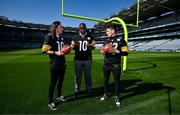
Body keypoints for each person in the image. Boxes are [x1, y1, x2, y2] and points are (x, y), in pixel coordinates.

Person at [100, 24, 128, 107]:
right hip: (106, 64)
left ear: (113, 31)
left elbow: (126, 53)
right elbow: (102, 51)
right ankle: (105, 94)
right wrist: (102, 52)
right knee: (105, 80)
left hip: (116, 64)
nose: (106, 33)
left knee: (116, 81)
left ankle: (116, 96)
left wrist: (117, 51)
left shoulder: (121, 40)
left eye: (107, 31)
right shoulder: (106, 40)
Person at [42, 21, 66, 110]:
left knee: (60, 82)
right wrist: (56, 52)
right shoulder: (49, 37)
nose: (62, 28)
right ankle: (50, 101)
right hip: (55, 64)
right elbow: (44, 50)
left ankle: (59, 95)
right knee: (53, 83)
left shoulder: (61, 37)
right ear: (56, 28)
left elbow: (61, 50)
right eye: (61, 27)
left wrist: (66, 50)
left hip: (62, 63)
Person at [71, 23, 96, 97]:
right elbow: (72, 46)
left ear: (85, 28)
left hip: (87, 59)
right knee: (78, 76)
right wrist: (72, 46)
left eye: (83, 28)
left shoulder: (90, 36)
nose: (82, 29)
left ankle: (89, 89)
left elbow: (94, 45)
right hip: (78, 59)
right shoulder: (75, 37)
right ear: (79, 29)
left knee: (88, 75)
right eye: (80, 28)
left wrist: (90, 45)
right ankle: (77, 90)